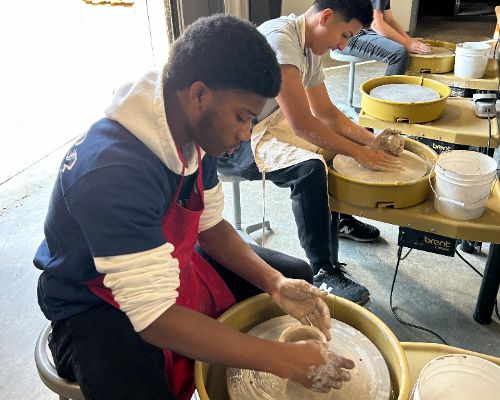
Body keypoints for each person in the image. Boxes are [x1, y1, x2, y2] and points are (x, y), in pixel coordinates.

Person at [33, 14, 357, 400]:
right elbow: (154, 318)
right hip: (90, 297)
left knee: (293, 276)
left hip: (166, 257)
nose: (245, 134)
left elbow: (211, 224)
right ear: (199, 93)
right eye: (242, 117)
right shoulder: (112, 172)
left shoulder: (193, 126)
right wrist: (282, 359)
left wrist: (275, 283)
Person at [218, 0, 401, 306]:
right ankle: (323, 270)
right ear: (325, 17)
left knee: (335, 146)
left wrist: (370, 141)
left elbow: (327, 113)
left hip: (265, 120)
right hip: (230, 139)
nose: (342, 47)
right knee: (310, 167)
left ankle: (338, 220)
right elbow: (303, 124)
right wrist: (360, 153)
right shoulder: (281, 40)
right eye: (344, 35)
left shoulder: (307, 45)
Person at [341, 0, 431, 75]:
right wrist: (407, 44)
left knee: (402, 44)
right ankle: (388, 94)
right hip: (347, 37)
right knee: (399, 53)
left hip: (364, 31)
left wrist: (408, 40)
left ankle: (398, 87)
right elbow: (376, 24)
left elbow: (389, 19)